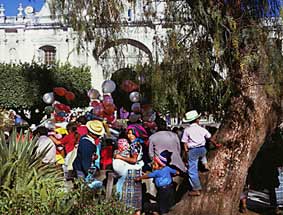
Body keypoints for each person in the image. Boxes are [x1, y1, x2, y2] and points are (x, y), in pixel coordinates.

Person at [181, 110, 220, 196]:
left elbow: (185, 143)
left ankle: (196, 188)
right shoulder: (202, 129)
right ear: (197, 119)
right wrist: (216, 144)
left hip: (193, 150)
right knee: (202, 156)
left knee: (192, 171)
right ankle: (205, 164)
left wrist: (186, 152)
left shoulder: (187, 130)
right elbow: (210, 138)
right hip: (202, 149)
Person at [112, 126, 144, 214]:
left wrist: (120, 157)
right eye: (128, 133)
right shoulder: (137, 143)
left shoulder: (134, 145)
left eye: (131, 134)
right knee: (135, 198)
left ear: (136, 134)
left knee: (131, 197)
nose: (129, 136)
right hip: (135, 170)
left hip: (132, 171)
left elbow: (134, 160)